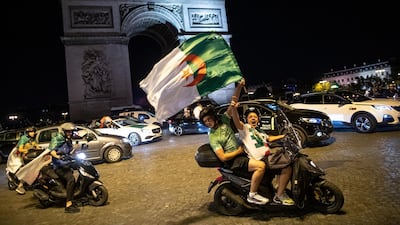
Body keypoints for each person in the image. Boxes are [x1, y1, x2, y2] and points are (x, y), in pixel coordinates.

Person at [199, 80, 269, 205]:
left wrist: (239, 86)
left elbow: (233, 103)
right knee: (260, 166)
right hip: (234, 161)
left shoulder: (224, 121)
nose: (208, 122)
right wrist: (239, 151)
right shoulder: (213, 137)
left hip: (242, 153)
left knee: (267, 160)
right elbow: (223, 157)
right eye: (205, 122)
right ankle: (252, 195)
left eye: (209, 119)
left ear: (214, 117)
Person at [230, 96, 295, 206]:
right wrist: (234, 109)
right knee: (287, 167)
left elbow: (269, 138)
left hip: (267, 157)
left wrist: (283, 136)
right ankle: (279, 195)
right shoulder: (244, 128)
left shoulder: (259, 131)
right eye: (250, 117)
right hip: (260, 160)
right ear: (246, 119)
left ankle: (277, 188)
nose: (253, 118)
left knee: (285, 158)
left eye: (255, 116)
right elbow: (237, 121)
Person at [49, 122, 80, 213]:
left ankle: (73, 196)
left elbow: (70, 151)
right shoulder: (57, 139)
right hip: (59, 166)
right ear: (63, 131)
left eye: (71, 132)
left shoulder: (68, 140)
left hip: (67, 163)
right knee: (71, 179)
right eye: (68, 132)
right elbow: (52, 151)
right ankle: (68, 205)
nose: (70, 133)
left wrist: (76, 150)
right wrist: (58, 156)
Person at [14, 126, 42, 195]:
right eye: (30, 132)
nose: (32, 133)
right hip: (25, 157)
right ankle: (20, 186)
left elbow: (36, 146)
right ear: (27, 133)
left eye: (33, 132)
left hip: (32, 156)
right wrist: (26, 150)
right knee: (28, 170)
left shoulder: (32, 139)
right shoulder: (24, 138)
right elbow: (20, 149)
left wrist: (39, 148)